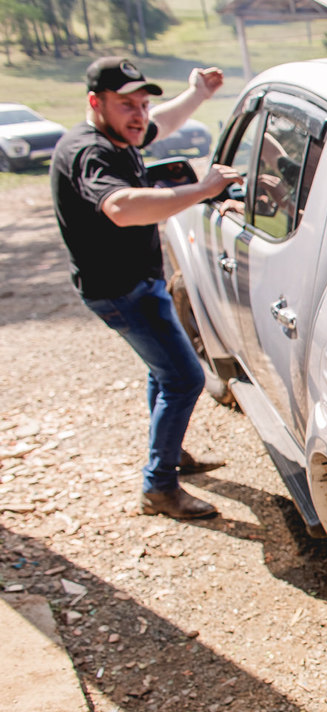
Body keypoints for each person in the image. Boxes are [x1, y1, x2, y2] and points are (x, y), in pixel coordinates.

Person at [50, 57, 240, 520]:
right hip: (121, 291)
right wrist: (201, 190)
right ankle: (159, 488)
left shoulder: (120, 134)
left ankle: (169, 452)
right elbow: (120, 207)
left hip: (137, 283)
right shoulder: (90, 152)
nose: (139, 116)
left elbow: (161, 124)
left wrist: (198, 93)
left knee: (164, 370)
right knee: (184, 377)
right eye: (125, 105)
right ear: (96, 103)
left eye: (142, 104)